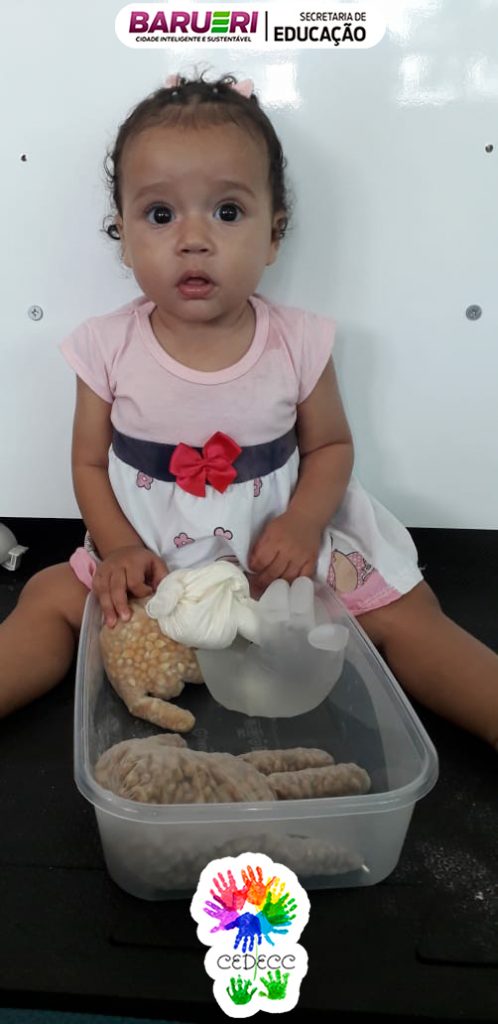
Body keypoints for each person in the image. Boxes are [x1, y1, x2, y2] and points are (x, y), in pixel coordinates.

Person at [1, 72, 497, 749]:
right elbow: (89, 462)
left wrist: (303, 523)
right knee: (49, 599)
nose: (193, 239)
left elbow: (330, 447)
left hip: (276, 564)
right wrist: (118, 548)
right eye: (160, 215)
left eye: (228, 212)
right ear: (123, 235)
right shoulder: (104, 346)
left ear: (273, 235)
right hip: (153, 562)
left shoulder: (298, 341)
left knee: (411, 615)